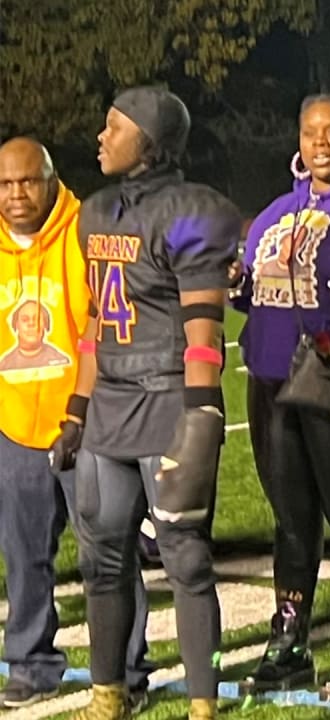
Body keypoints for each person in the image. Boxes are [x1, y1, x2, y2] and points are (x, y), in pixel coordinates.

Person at [71, 86, 239, 720]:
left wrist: (201, 412)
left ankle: (202, 705)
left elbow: (205, 327)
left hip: (168, 399)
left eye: (115, 126)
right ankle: (107, 694)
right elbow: (94, 325)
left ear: (150, 140)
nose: (101, 136)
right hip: (111, 402)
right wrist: (75, 411)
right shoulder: (95, 212)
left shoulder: (193, 211)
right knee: (101, 560)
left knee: (186, 558)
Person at [232, 94, 330, 699]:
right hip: (271, 381)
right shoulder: (276, 211)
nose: (319, 143)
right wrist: (236, 281)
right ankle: (291, 636)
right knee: (291, 521)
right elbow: (252, 296)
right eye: (309, 132)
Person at [0, 138, 153, 711]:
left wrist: (90, 410)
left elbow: (108, 324)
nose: (16, 194)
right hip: (13, 420)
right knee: (23, 555)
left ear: (49, 179)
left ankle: (128, 669)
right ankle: (32, 663)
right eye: (6, 184)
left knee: (107, 551)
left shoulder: (85, 231)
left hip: (87, 421)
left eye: (27, 182)